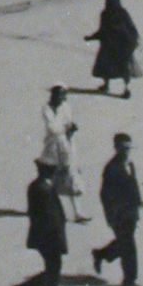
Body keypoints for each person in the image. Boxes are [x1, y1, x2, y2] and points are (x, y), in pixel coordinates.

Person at [12, 158, 69, 286]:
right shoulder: (41, 188)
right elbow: (47, 217)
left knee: (53, 269)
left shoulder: (41, 186)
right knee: (54, 268)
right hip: (48, 237)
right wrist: (57, 239)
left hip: (48, 236)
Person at [93, 132, 143, 286]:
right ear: (116, 148)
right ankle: (129, 279)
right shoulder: (111, 168)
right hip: (119, 214)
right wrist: (111, 215)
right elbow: (105, 194)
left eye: (129, 148)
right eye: (123, 148)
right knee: (129, 246)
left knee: (125, 242)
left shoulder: (130, 164)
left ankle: (102, 254)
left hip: (131, 212)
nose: (126, 151)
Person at [41, 84, 87, 222]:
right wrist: (66, 128)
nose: (62, 98)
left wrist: (70, 128)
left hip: (67, 145)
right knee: (51, 177)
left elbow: (67, 123)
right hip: (53, 147)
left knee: (71, 176)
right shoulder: (46, 109)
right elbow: (52, 128)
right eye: (60, 95)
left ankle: (77, 213)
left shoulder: (65, 107)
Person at [84, 0, 142, 97]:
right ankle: (120, 88)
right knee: (111, 66)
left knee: (114, 66)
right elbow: (103, 30)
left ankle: (122, 89)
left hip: (120, 45)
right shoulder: (115, 13)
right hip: (115, 45)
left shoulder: (111, 14)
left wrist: (92, 37)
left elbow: (104, 31)